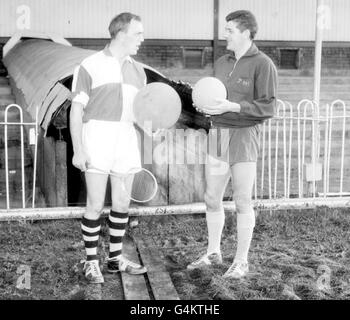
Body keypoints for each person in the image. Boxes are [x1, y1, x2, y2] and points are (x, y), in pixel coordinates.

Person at [187, 10, 277, 279]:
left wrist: (234, 106)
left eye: (230, 30)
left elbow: (269, 106)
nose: (224, 34)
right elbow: (212, 97)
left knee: (241, 200)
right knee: (211, 197)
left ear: (246, 33)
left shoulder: (263, 64)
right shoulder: (222, 63)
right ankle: (213, 252)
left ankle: (241, 261)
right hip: (218, 135)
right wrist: (202, 104)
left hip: (244, 136)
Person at [70, 12, 148, 284]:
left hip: (125, 137)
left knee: (122, 201)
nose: (142, 38)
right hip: (97, 135)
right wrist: (78, 149)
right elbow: (76, 110)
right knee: (94, 203)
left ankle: (115, 259)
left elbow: (141, 114)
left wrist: (154, 126)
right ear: (121, 33)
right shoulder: (90, 64)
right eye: (138, 33)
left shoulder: (139, 71)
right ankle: (91, 262)